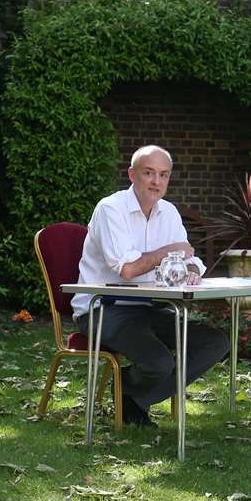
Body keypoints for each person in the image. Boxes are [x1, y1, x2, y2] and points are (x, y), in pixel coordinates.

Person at [76, 145, 232, 427]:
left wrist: (194, 269)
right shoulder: (110, 209)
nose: (156, 182)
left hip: (148, 306)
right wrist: (171, 250)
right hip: (103, 309)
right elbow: (128, 270)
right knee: (160, 363)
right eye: (149, 173)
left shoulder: (169, 212)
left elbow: (190, 256)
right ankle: (132, 392)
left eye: (163, 175)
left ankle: (132, 395)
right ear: (132, 174)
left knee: (215, 343)